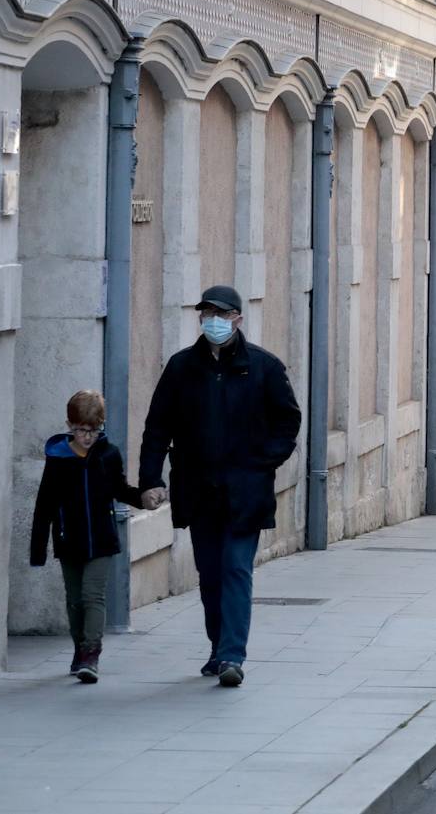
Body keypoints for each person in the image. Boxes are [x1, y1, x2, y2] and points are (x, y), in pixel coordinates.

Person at [139, 285, 302, 688]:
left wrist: (263, 461)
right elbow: (157, 427)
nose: (214, 320)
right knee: (209, 573)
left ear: (238, 320)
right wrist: (150, 479)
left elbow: (288, 421)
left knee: (234, 567)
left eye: (222, 314)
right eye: (207, 313)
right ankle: (218, 648)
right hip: (198, 489)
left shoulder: (264, 367)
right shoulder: (181, 368)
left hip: (245, 491)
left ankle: (232, 655)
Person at [30, 390, 165, 683]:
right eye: (81, 430)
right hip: (68, 540)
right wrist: (38, 549)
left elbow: (120, 489)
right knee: (74, 600)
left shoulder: (108, 455)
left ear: (100, 426)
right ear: (70, 425)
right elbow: (45, 505)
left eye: (93, 430)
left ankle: (92, 653)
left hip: (101, 540)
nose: (87, 437)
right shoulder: (58, 458)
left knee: (93, 596)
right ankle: (80, 648)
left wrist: (143, 498)